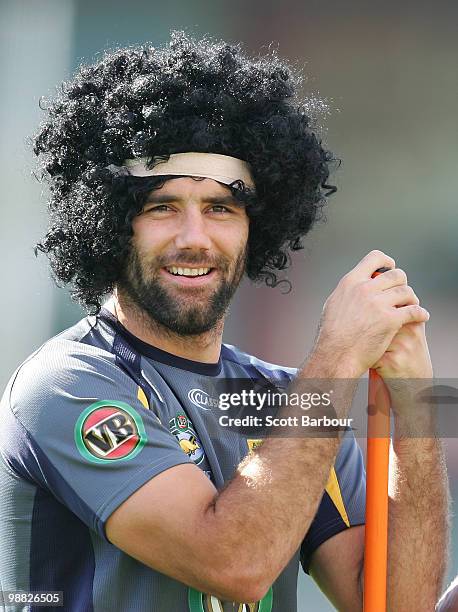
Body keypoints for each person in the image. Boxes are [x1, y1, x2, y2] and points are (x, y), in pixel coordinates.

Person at [0, 31, 449, 612]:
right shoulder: (66, 384)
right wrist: (338, 356)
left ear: (254, 228)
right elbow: (233, 564)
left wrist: (416, 398)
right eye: (161, 207)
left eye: (221, 208)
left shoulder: (290, 401)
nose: (195, 238)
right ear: (112, 223)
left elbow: (395, 606)